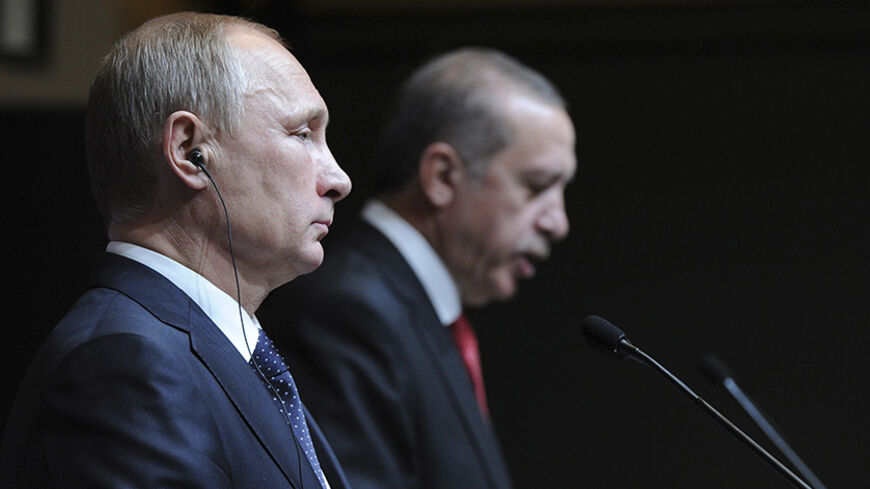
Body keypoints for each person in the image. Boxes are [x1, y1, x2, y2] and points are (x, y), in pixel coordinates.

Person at [0, 12, 352, 489]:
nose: (338, 180)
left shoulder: (217, 351)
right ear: (191, 152)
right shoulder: (127, 363)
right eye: (302, 134)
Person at [259, 48, 576, 489]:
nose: (557, 223)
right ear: (442, 176)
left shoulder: (414, 308)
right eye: (537, 186)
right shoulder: (347, 312)